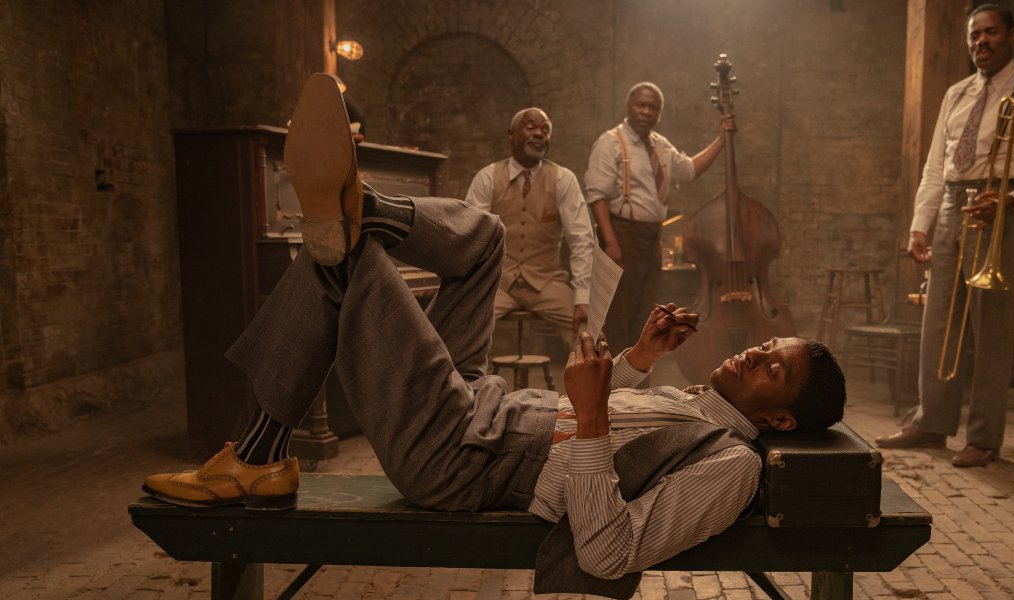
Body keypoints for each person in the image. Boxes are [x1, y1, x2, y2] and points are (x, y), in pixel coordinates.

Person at [142, 73, 846, 597]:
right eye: (766, 348)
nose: (754, 350)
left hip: (459, 455)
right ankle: (364, 210)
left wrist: (593, 416)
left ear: (779, 417)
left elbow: (607, 550)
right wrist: (638, 358)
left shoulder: (734, 466)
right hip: (484, 402)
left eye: (770, 368)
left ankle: (260, 446)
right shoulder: (704, 405)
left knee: (348, 263)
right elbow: (638, 435)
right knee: (483, 235)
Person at [875, 4, 1014, 468]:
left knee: (991, 328)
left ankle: (984, 437)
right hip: (950, 204)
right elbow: (934, 166)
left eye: (990, 33)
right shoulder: (956, 93)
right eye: (974, 36)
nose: (980, 42)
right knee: (938, 321)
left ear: (1010, 36)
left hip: (998, 209)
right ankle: (932, 422)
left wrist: (1011, 200)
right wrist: (919, 224)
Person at [583, 82, 735, 353]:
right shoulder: (610, 143)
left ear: (659, 114)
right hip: (621, 235)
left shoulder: (660, 146)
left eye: (652, 107)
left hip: (650, 239)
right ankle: (614, 389)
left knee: (645, 317)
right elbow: (596, 195)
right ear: (629, 107)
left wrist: (722, 140)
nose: (646, 111)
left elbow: (689, 171)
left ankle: (636, 386)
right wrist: (611, 241)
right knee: (618, 317)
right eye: (640, 105)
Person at [465, 108, 594, 347]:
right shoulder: (488, 177)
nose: (539, 134)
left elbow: (581, 240)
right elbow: (472, 236)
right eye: (531, 127)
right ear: (511, 134)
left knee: (591, 335)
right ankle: (472, 385)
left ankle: (590, 384)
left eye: (545, 129)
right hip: (498, 283)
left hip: (547, 282)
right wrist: (473, 288)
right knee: (461, 328)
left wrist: (582, 299)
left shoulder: (563, 179)